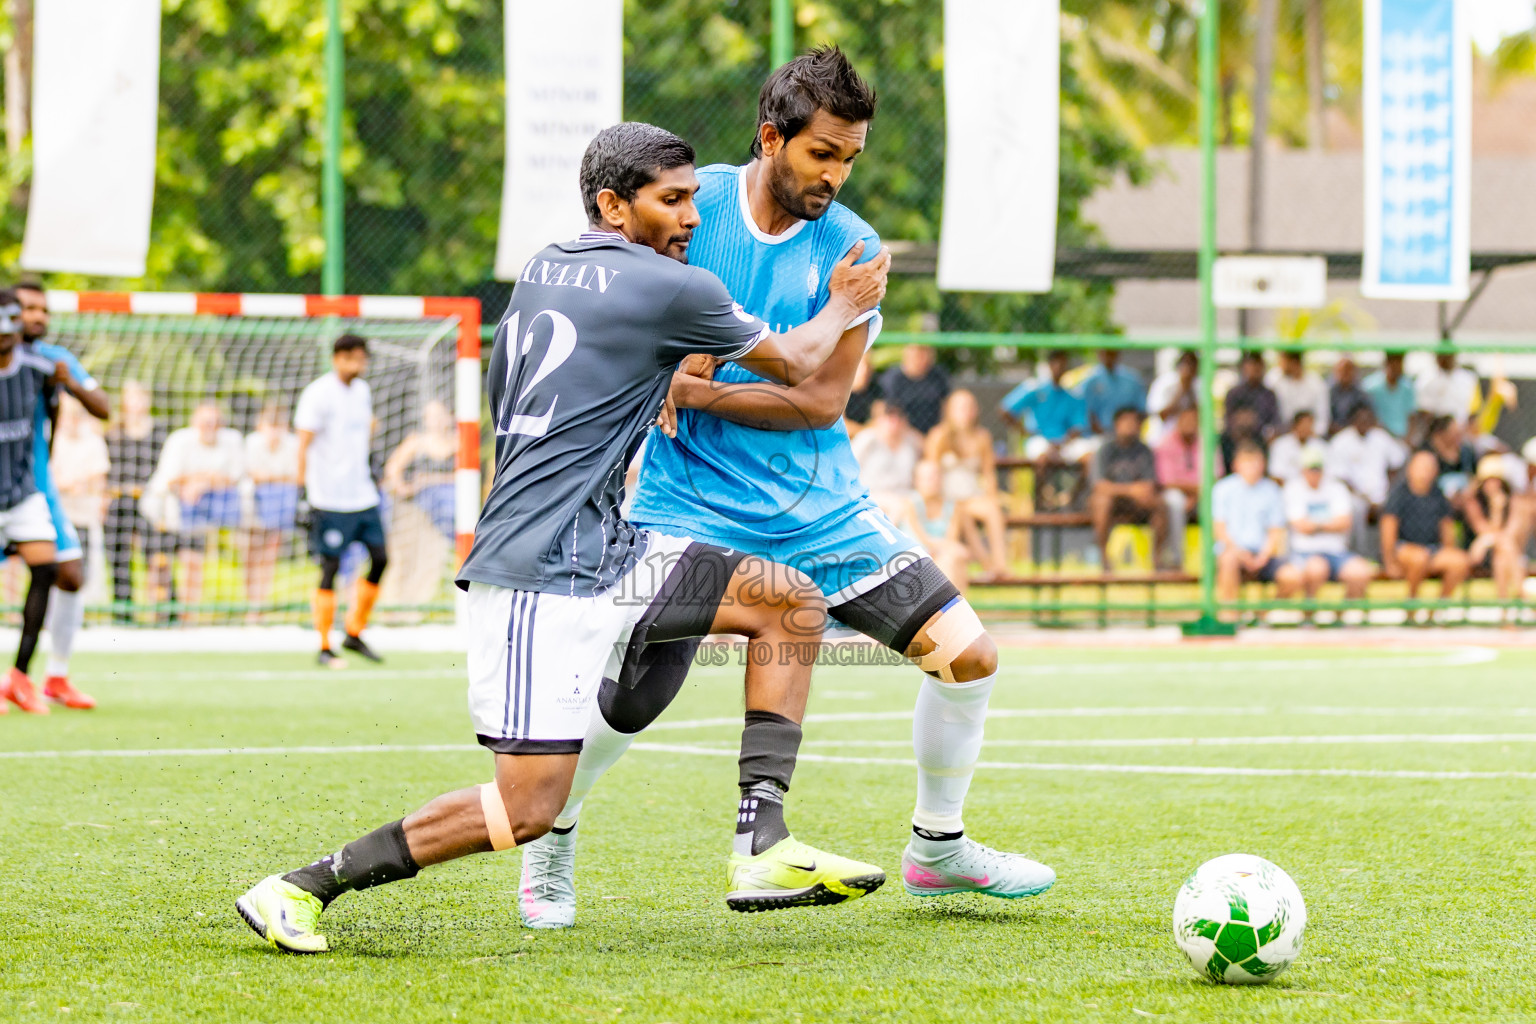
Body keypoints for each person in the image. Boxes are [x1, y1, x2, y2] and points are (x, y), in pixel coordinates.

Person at [235, 121, 891, 952]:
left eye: (694, 196)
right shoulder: (669, 289)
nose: (693, 217)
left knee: (786, 602)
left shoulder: (547, 265)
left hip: (607, 549)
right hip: (538, 570)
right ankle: (301, 886)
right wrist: (843, 303)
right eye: (673, 200)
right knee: (525, 808)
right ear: (614, 205)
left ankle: (760, 843)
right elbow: (799, 364)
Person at [519, 50, 1054, 933]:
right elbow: (627, 309)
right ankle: (554, 828)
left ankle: (938, 847)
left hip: (820, 512)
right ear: (772, 137)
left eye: (850, 158)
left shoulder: (855, 247)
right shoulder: (694, 208)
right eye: (822, 155)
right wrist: (664, 373)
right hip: (682, 506)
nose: (836, 177)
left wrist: (692, 388)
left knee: (969, 659)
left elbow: (817, 401)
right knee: (633, 701)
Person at [13, 280, 110, 707]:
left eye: (44, 309)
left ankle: (55, 677)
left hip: (36, 486)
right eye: (28, 308)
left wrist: (69, 381)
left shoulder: (53, 360)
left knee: (70, 574)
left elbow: (104, 407)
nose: (38, 317)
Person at [294, 335, 388, 667]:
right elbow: (303, 445)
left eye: (364, 359)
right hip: (328, 497)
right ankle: (323, 644)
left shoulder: (362, 392)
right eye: (355, 359)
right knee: (330, 566)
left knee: (380, 558)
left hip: (362, 494)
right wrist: (301, 493)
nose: (361, 366)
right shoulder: (317, 394)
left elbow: (361, 434)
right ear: (339, 358)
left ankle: (354, 631)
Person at [0, 292, 72, 714]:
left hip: (23, 493)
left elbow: (52, 416)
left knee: (47, 568)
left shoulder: (40, 369)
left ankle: (21, 677)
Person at [148, 401, 245, 613]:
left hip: (195, 512)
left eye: (214, 422)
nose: (209, 427)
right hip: (163, 511)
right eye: (205, 422)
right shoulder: (180, 441)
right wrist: (196, 482)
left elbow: (235, 477)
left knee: (192, 562)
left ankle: (187, 616)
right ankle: (156, 615)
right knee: (159, 564)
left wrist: (202, 484)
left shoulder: (230, 441)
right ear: (195, 422)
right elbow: (170, 479)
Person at [104, 381, 174, 620]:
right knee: (119, 557)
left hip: (151, 502)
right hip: (120, 502)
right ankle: (123, 612)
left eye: (140, 397)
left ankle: (165, 611)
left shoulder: (160, 432)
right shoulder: (113, 432)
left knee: (157, 556)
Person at [924, 389, 1008, 578]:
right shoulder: (939, 436)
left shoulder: (982, 436)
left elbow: (988, 474)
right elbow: (930, 472)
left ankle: (1000, 565)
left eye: (970, 406)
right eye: (961, 407)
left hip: (972, 497)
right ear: (950, 410)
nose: (966, 411)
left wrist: (991, 496)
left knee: (993, 510)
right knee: (962, 517)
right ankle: (988, 567)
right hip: (947, 498)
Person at [1283, 444, 1373, 605]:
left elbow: (1345, 522)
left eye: (1317, 468)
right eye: (1311, 468)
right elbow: (1301, 526)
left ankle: (1342, 619)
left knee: (1360, 572)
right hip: (1305, 553)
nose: (1314, 473)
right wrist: (1329, 524)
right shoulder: (1293, 488)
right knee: (1316, 569)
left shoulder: (1336, 487)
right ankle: (1308, 618)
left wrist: (1315, 526)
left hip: (1337, 552)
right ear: (1302, 470)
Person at [1380, 449, 1471, 604]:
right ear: (1410, 469)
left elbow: (1446, 528)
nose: (1425, 472)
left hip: (1432, 550)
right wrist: (1389, 561)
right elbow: (1388, 528)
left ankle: (1439, 608)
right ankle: (1412, 605)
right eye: (1421, 467)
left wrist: (1448, 550)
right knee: (1419, 558)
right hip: (1404, 549)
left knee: (1460, 561)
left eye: (1429, 467)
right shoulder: (1398, 495)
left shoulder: (1438, 496)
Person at [1212, 440, 1297, 605]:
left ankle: (1263, 615)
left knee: (1292, 577)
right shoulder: (1223, 489)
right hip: (1232, 552)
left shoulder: (1272, 490)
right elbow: (1220, 529)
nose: (1252, 467)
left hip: (1263, 555)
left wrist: (1263, 556)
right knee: (1228, 561)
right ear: (1237, 464)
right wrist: (1241, 554)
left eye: (1256, 462)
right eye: (1248, 462)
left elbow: (1275, 530)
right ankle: (1229, 616)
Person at [1089, 407, 1167, 573]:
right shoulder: (1104, 450)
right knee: (1102, 501)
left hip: (1136, 503)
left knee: (1159, 503)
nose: (1131, 426)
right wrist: (1130, 490)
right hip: (1111, 502)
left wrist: (1136, 492)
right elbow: (1100, 486)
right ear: (1116, 424)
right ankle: (1104, 559)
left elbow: (1149, 484)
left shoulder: (1144, 451)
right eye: (1126, 421)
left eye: (1134, 422)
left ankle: (1157, 559)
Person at [242, 402, 300, 613]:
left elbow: (295, 477)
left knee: (269, 556)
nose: (274, 432)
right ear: (261, 425)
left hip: (279, 506)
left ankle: (260, 605)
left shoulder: (293, 444)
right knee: (250, 554)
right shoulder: (252, 443)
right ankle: (250, 603)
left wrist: (270, 478)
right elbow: (252, 475)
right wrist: (274, 479)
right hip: (252, 506)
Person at [999, 349, 1095, 467]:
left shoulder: (1072, 395)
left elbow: (1079, 426)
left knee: (1089, 456)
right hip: (1040, 440)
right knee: (1041, 455)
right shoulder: (1035, 388)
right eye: (1056, 362)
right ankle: (1043, 486)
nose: (1059, 367)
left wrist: (1062, 442)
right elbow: (1005, 408)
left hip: (1065, 442)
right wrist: (1022, 431)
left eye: (1063, 363)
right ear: (1049, 364)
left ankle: (1078, 487)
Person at [1153, 405, 1221, 570]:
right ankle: (1176, 559)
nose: (1190, 424)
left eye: (1194, 420)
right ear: (1178, 422)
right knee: (1175, 501)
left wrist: (1197, 495)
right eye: (1186, 420)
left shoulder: (1207, 442)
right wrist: (1194, 492)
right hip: (1177, 493)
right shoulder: (1166, 443)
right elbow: (1167, 481)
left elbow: (1215, 476)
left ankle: (1216, 559)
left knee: (1218, 500)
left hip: (1202, 494)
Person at [382, 399, 458, 539]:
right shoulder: (417, 441)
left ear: (449, 417)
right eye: (431, 416)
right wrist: (403, 488)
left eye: (440, 415)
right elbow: (393, 468)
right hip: (423, 496)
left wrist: (430, 479)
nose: (437, 421)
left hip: (452, 493)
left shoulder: (459, 442)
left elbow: (468, 477)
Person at [893, 460, 971, 595]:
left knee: (953, 557)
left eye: (936, 476)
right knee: (954, 555)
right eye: (928, 478)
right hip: (915, 556)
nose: (933, 481)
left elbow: (950, 538)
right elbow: (923, 538)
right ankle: (955, 605)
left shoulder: (953, 506)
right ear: (917, 481)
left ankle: (953, 604)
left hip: (941, 554)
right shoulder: (910, 503)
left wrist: (945, 550)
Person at [1464, 454, 1530, 612]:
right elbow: (1483, 530)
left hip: (1505, 553)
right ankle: (1523, 599)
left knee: (1502, 556)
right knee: (1505, 549)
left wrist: (1488, 539)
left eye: (1496, 480)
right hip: (1480, 556)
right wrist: (1496, 511)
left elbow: (1511, 534)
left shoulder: (1513, 501)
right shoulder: (1473, 503)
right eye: (1488, 480)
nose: (1492, 485)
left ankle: (1505, 611)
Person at [849, 401, 920, 516]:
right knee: (897, 507)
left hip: (905, 494)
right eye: (889, 417)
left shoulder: (911, 441)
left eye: (899, 417)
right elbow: (849, 466)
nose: (894, 421)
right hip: (872, 494)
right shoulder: (867, 439)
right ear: (879, 419)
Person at [879, 344, 949, 433]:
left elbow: (946, 405)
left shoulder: (938, 376)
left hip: (934, 432)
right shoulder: (893, 378)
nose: (922, 360)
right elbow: (888, 410)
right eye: (918, 356)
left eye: (925, 354)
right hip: (902, 431)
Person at [1079, 348, 1145, 437]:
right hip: (1098, 435)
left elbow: (1141, 410)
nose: (1108, 357)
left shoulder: (1131, 379)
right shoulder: (1090, 381)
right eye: (1105, 353)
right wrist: (1102, 433)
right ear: (1099, 354)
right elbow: (1086, 412)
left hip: (1128, 435)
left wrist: (1130, 429)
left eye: (1111, 353)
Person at [1267, 351, 1330, 434]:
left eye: (1283, 361)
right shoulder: (1275, 380)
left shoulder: (1316, 383)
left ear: (1294, 363)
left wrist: (1313, 433)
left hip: (1311, 434)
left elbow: (1323, 417)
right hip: (1283, 433)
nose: (1279, 365)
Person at [1421, 415, 1478, 506]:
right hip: (1436, 494)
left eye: (1458, 433)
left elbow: (1472, 475)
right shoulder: (1427, 451)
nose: (1457, 436)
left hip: (1463, 494)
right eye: (1453, 433)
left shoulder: (1465, 451)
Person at [1145, 348, 1198, 444]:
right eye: (1186, 364)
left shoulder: (1199, 385)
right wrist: (1181, 389)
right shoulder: (1164, 383)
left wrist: (1189, 390)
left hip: (1189, 442)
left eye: (1192, 365)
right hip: (1162, 438)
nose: (1189, 369)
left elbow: (1200, 416)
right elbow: (1161, 415)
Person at [1224, 351, 1280, 439]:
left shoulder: (1269, 395)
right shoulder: (1234, 393)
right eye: (1251, 365)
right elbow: (1228, 421)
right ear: (1243, 367)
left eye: (1258, 365)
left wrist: (1256, 422)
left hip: (1261, 439)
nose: (1254, 369)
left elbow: (1275, 422)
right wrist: (1241, 419)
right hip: (1236, 439)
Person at [1362, 351, 1416, 439]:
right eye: (1394, 363)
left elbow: (1412, 416)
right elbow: (1366, 415)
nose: (1398, 367)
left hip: (1402, 437)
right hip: (1378, 435)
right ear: (1387, 364)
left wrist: (1409, 439)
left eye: (1400, 364)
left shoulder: (1407, 387)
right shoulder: (1371, 386)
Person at [1415, 352, 1480, 425]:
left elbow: (1474, 410)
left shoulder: (1468, 378)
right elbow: (1423, 410)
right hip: (1436, 429)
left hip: (1462, 429)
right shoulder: (1426, 378)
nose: (1446, 358)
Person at [1267, 410, 1319, 484]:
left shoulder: (1320, 445)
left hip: (1313, 490)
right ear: (1295, 426)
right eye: (1303, 425)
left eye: (1309, 425)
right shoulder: (1280, 444)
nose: (1306, 428)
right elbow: (1275, 475)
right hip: (1286, 490)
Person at [1328, 358, 1372, 434]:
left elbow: (1366, 414)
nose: (1346, 374)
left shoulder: (1361, 393)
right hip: (1333, 434)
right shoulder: (1329, 391)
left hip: (1355, 433)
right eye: (1342, 371)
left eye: (1349, 371)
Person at [842, 351, 881, 434]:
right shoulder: (841, 390)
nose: (865, 371)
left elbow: (879, 421)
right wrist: (865, 431)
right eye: (862, 366)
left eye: (868, 366)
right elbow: (842, 426)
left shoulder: (876, 389)